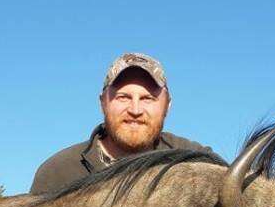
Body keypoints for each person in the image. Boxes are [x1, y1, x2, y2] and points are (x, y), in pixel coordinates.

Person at [29, 53, 216, 194]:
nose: (135, 110)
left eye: (148, 98)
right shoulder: (58, 172)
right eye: (123, 97)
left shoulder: (196, 160)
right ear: (103, 102)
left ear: (167, 105)